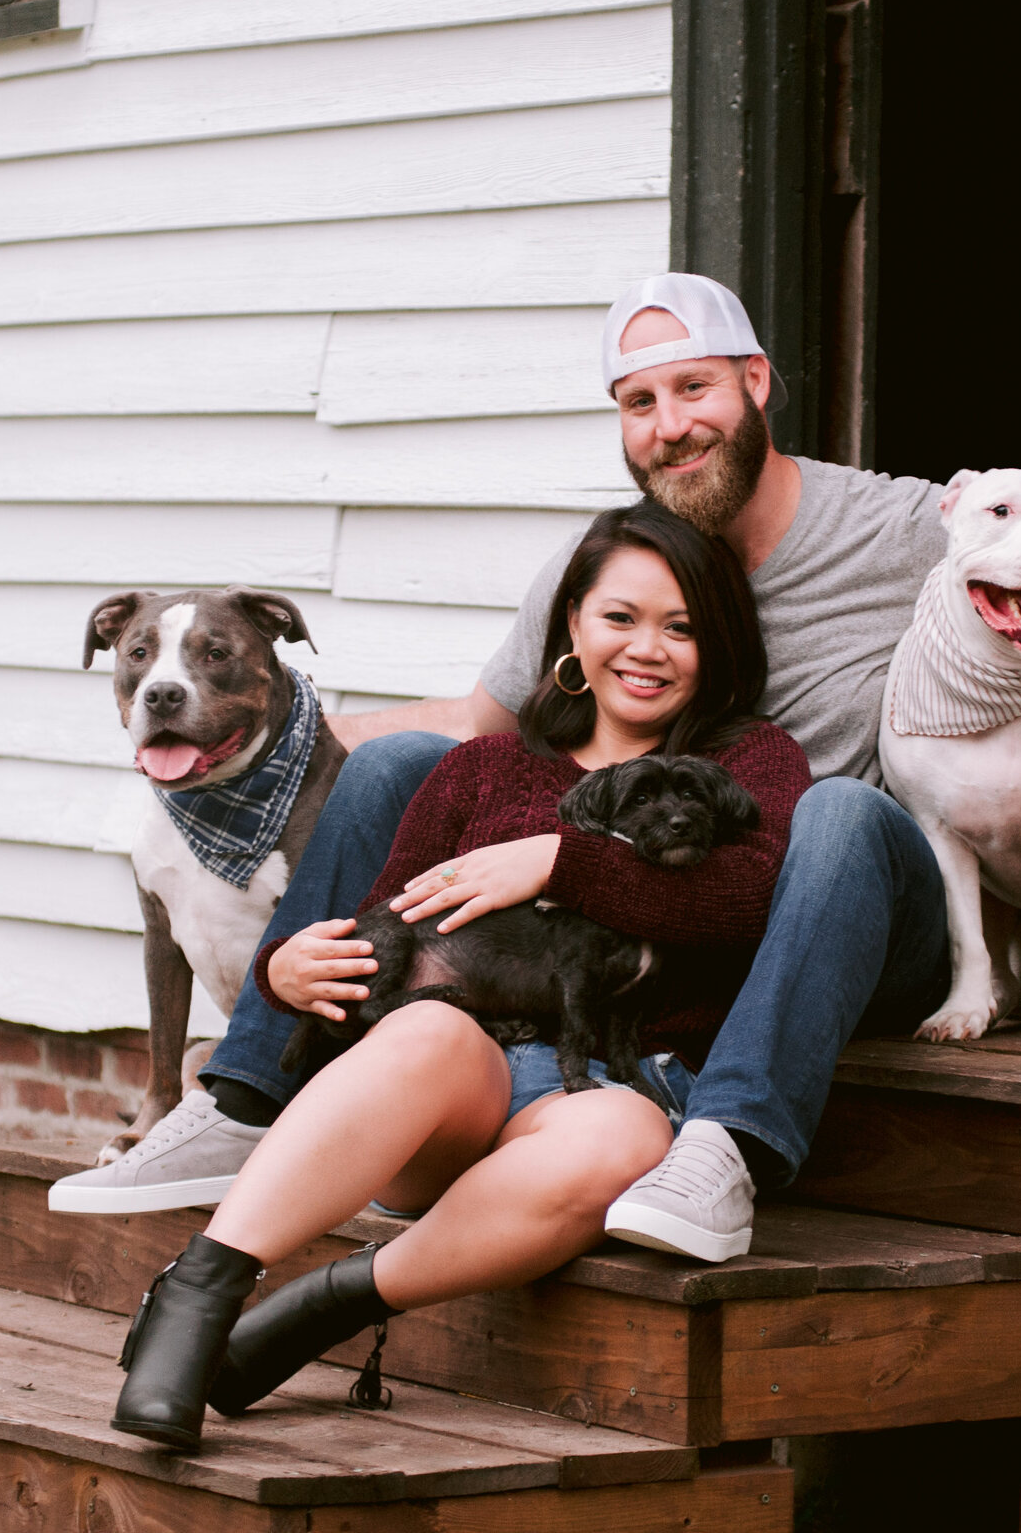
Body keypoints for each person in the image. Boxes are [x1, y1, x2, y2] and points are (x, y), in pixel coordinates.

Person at [54, 272, 1021, 1264]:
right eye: (637, 403)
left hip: (851, 902)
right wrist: (240, 732)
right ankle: (248, 1090)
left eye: (691, 388)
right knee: (397, 757)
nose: (668, 424)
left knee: (839, 810)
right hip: (665, 911)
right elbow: (474, 718)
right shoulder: (611, 553)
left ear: (755, 381)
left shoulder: (891, 520)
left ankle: (724, 1149)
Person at [108, 501, 811, 1450]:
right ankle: (198, 1292)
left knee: (616, 1145)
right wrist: (289, 972)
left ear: (716, 642)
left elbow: (750, 906)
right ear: (571, 628)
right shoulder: (483, 767)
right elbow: (391, 928)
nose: (647, 649)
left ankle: (320, 1309)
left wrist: (556, 862)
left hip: (610, 1082)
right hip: (448, 1092)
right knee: (429, 1029)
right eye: (620, 618)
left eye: (681, 627)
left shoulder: (750, 762)